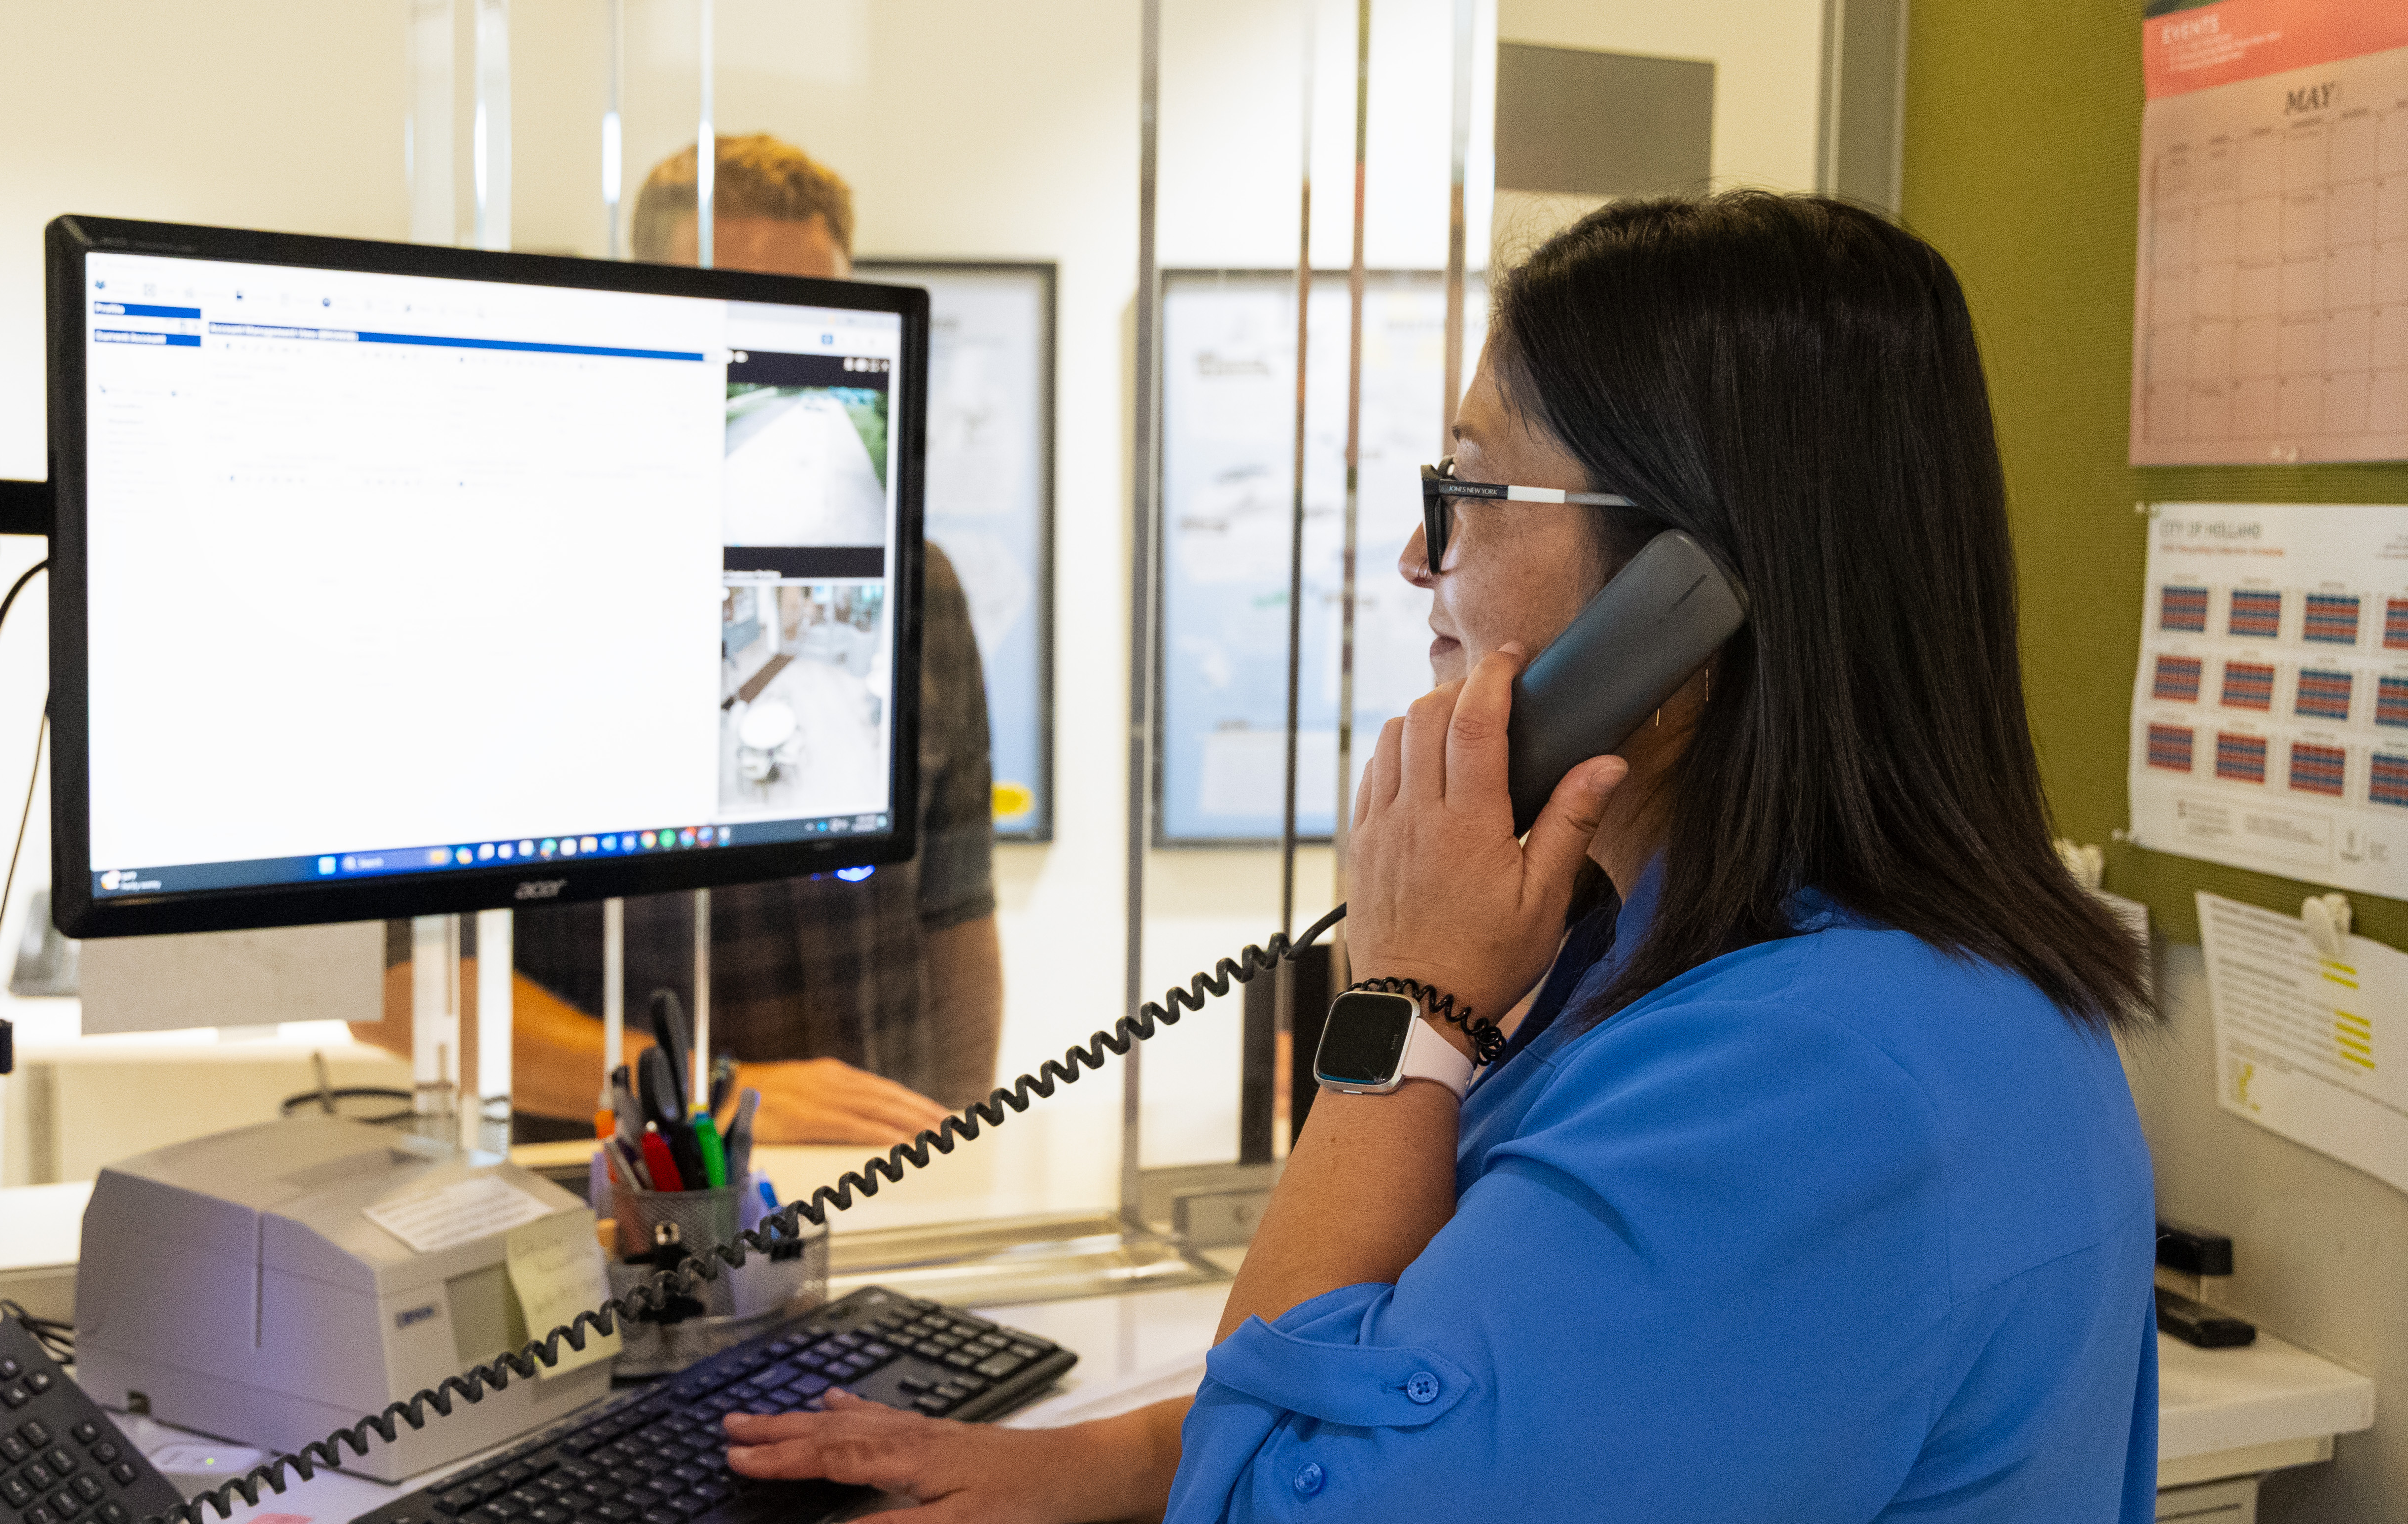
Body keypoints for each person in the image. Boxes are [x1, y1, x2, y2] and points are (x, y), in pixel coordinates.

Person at [717, 191, 2160, 1520]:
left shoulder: (1805, 1090)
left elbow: (1297, 1500)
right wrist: (1088, 1463)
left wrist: (1408, 1005)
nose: (1420, 559)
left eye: (1470, 489)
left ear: (1683, 602)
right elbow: (1434, 1363)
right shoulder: (1755, 973)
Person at [361, 134, 1004, 1145]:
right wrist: (706, 1094)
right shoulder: (502, 593)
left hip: (876, 1182)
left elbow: (958, 915)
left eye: (810, 320)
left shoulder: (918, 586)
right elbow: (397, 982)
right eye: (734, 312)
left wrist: (957, 1144)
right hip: (601, 1189)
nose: (782, 356)